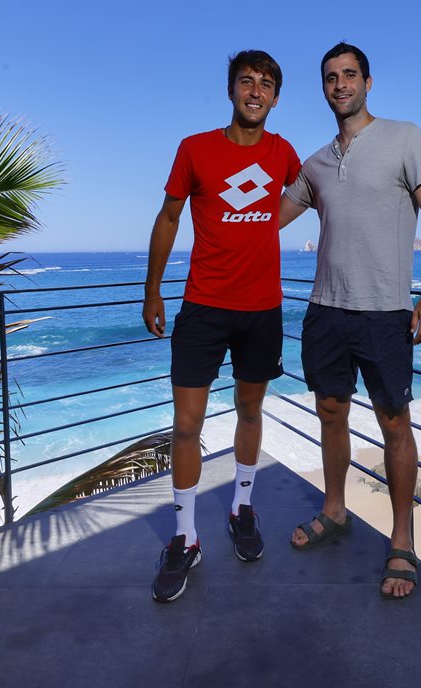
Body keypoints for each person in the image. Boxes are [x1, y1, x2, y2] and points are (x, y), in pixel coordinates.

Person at [279, 42, 421, 599]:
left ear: (368, 82)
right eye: (331, 77)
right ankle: (335, 510)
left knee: (394, 423)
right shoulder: (316, 164)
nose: (341, 84)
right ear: (323, 88)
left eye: (350, 74)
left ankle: (402, 540)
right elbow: (267, 219)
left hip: (384, 311)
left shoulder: (405, 138)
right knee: (330, 413)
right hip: (325, 310)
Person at [143, 50, 301, 603]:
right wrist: (152, 290)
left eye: (266, 84)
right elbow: (169, 217)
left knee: (251, 411)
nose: (255, 91)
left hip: (262, 309)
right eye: (246, 81)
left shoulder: (284, 153)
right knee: (187, 424)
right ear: (230, 90)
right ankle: (185, 537)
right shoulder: (195, 148)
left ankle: (242, 508)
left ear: (276, 97)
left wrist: (270, 226)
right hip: (203, 307)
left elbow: (316, 195)